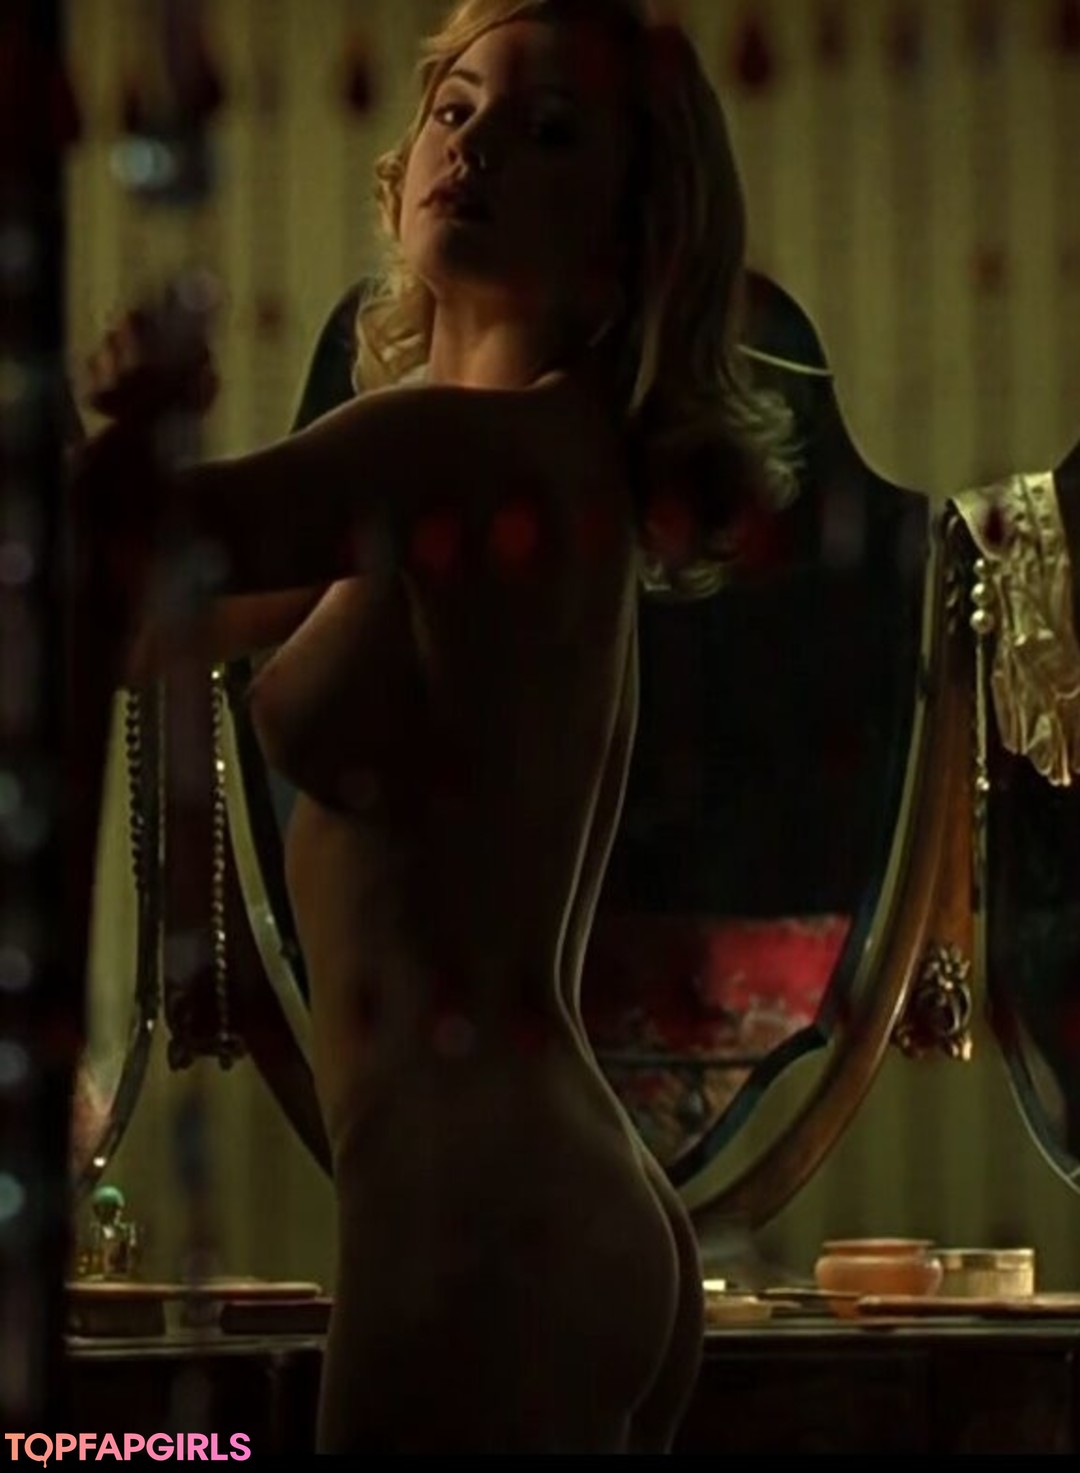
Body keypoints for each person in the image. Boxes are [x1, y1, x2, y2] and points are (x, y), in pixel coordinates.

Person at [73, 0, 792, 1451]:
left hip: (482, 1221)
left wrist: (123, 441)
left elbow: (102, 564)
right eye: (456, 108)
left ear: (633, 229)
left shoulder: (458, 454)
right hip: (543, 1202)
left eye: (549, 131)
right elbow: (137, 622)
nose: (477, 148)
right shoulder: (500, 465)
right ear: (403, 160)